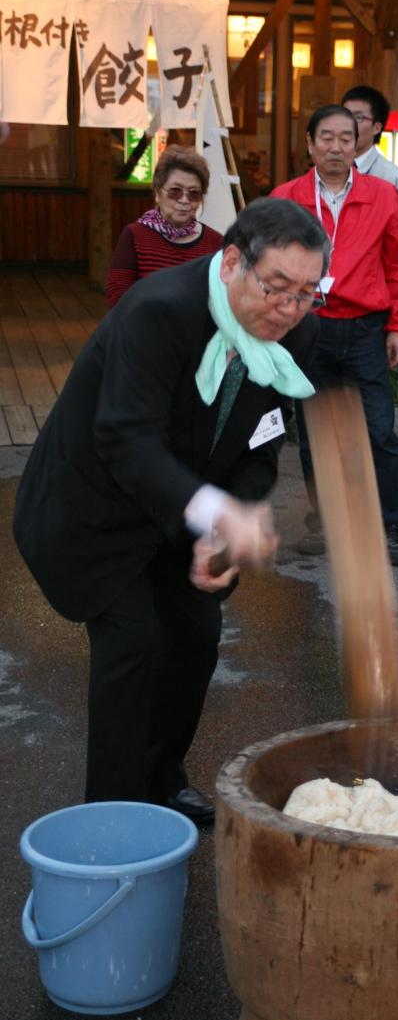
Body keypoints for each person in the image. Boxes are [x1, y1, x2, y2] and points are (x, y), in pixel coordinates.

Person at [14, 199, 327, 823]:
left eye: (306, 293)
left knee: (195, 637)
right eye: (277, 288)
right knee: (134, 643)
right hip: (96, 507)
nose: (289, 310)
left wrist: (230, 518)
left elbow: (261, 445)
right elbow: (125, 440)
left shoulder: (294, 332)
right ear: (233, 260)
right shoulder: (159, 311)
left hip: (182, 512)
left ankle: (161, 781)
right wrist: (214, 510)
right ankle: (111, 817)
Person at [272, 104, 398, 566]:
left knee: (379, 430)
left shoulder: (383, 195)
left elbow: (396, 266)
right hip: (307, 328)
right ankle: (325, 521)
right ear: (310, 144)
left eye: (345, 138)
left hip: (364, 328)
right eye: (326, 138)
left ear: (359, 143)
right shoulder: (286, 198)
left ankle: (390, 524)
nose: (336, 147)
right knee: (316, 433)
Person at [106, 144, 224, 308]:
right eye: (175, 191)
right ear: (157, 193)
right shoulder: (135, 236)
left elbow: (223, 299)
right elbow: (117, 296)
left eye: (194, 193)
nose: (184, 200)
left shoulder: (216, 242)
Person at [342, 84, 398, 248]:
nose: (348, 124)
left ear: (377, 127)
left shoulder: (392, 176)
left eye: (358, 118)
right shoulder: (329, 170)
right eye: (345, 115)